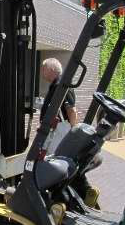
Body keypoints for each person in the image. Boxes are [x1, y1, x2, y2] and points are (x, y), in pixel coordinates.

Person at [39, 57, 100, 206]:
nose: (41, 72)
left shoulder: (61, 85)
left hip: (60, 131)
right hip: (58, 129)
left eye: (43, 69)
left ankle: (66, 198)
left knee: (58, 163)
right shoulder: (58, 84)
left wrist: (73, 132)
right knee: (62, 164)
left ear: (50, 70)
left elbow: (71, 109)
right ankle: (84, 192)